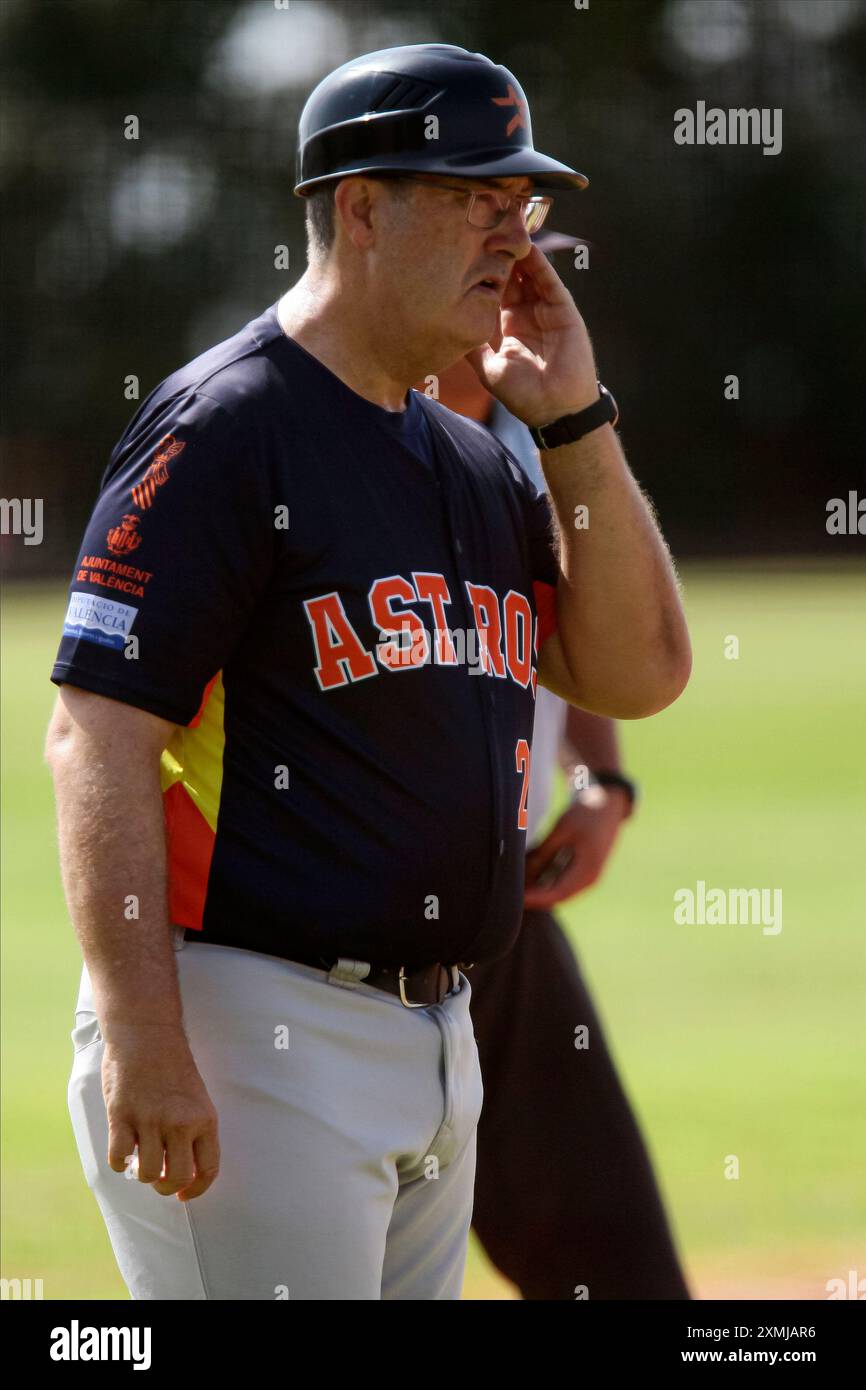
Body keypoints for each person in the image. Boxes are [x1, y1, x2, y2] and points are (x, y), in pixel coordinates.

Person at [45, 43, 690, 1299]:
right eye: (474, 202)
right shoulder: (227, 426)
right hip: (250, 1036)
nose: (513, 241)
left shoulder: (476, 460)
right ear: (358, 207)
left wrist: (572, 423)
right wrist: (142, 1036)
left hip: (437, 1039)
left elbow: (639, 673)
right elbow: (97, 737)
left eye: (524, 209)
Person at [432, 353, 690, 1298]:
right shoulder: (337, 439)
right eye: (495, 265)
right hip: (337, 936)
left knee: (621, 1269)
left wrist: (603, 785)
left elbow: (590, 639)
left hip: (506, 913)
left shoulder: (541, 453)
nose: (518, 311)